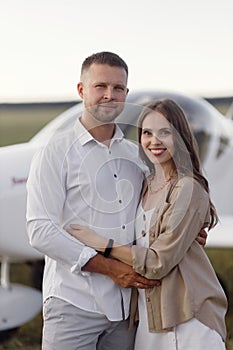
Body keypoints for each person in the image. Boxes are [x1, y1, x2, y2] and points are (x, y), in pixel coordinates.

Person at [26, 52, 207, 350]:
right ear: (82, 90)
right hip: (73, 303)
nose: (109, 95)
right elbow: (40, 231)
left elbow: (159, 208)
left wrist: (189, 229)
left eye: (118, 88)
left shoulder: (137, 155)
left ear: (126, 93)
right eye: (100, 86)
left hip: (128, 311)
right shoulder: (54, 153)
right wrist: (110, 268)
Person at [67, 99, 228, 349]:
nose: (155, 141)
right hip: (149, 317)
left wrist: (99, 244)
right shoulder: (145, 183)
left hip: (186, 318)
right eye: (147, 133)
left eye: (165, 132)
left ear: (181, 136)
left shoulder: (187, 188)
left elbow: (157, 262)